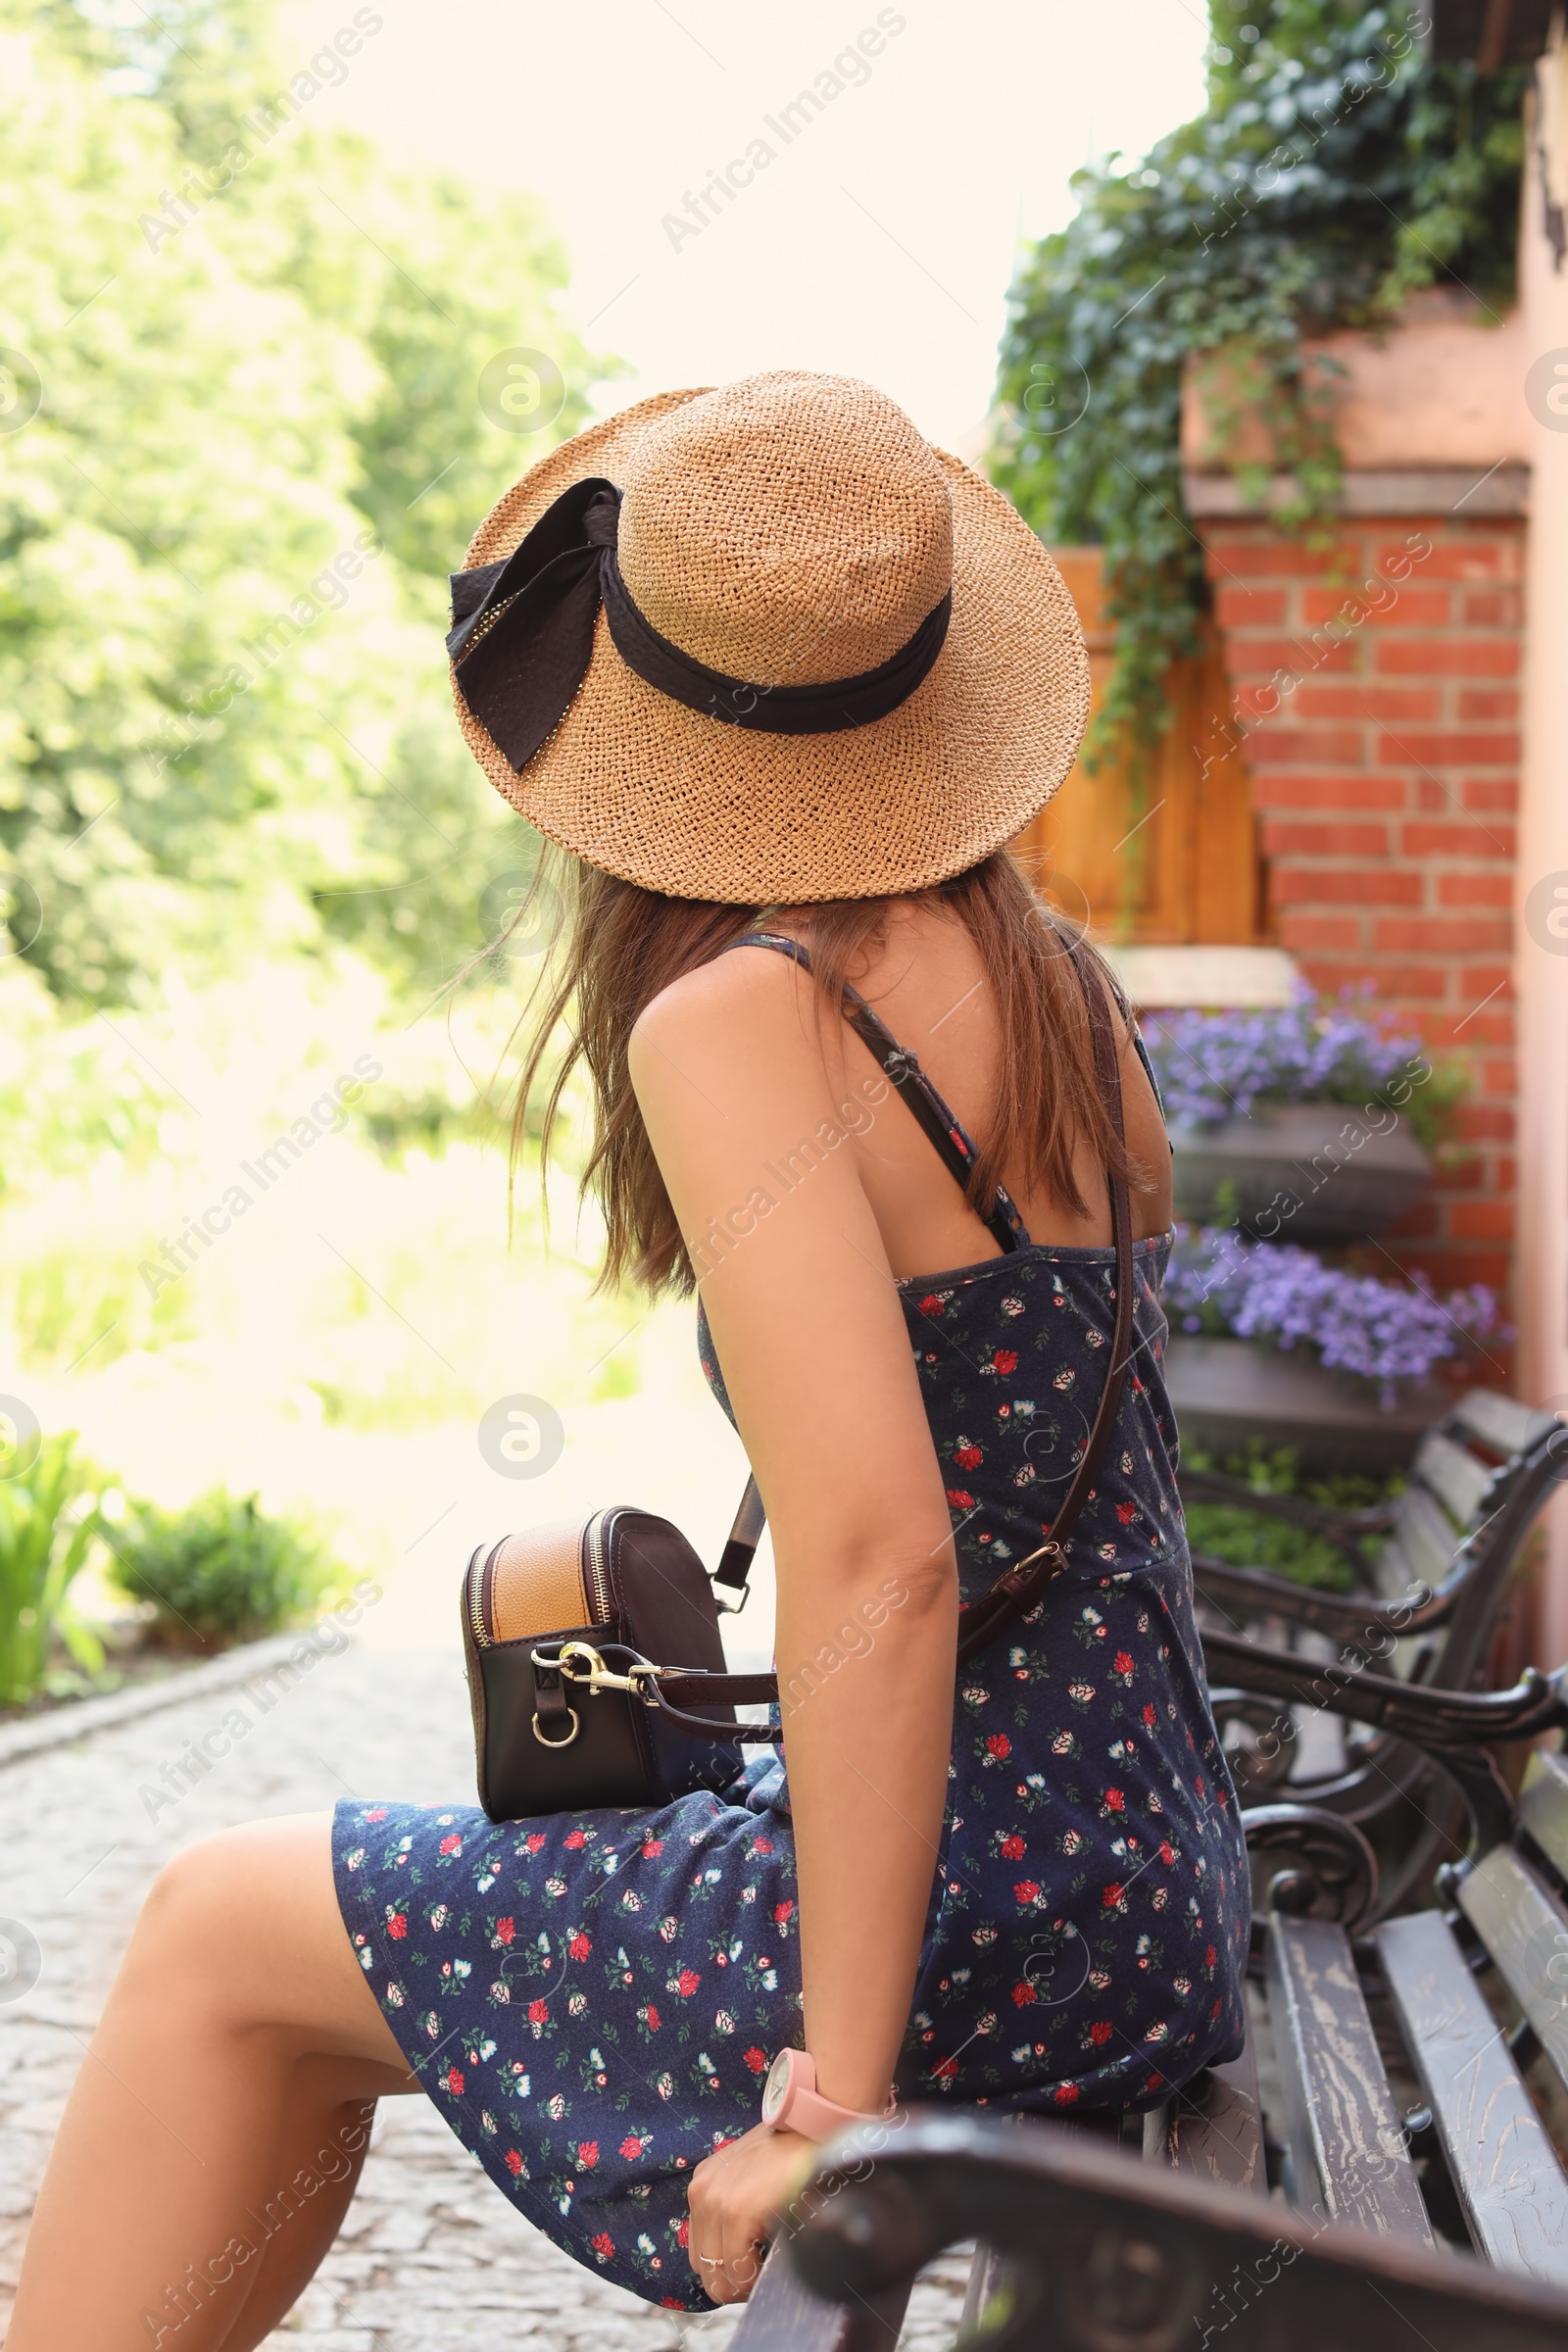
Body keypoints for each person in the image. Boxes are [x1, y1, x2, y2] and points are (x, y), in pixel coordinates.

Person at [10, 371, 1249, 2343]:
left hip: (970, 1920)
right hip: (1129, 1879)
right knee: (277, 1971)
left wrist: (827, 2112)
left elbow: (880, 1558)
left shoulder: (750, 1014)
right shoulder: (1061, 984)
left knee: (213, 1922)